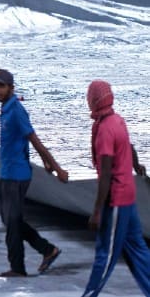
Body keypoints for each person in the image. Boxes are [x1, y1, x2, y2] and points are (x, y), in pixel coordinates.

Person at [0, 68, 68, 278]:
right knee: (10, 220)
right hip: (7, 172)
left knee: (12, 223)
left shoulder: (16, 111)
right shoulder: (6, 108)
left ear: (11, 88)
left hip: (17, 175)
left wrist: (56, 168)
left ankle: (17, 268)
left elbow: (34, 140)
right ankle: (47, 249)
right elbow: (21, 142)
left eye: (1, 86)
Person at [82, 80, 150, 296]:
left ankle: (90, 294)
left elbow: (106, 175)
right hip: (129, 195)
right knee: (138, 249)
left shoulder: (104, 130)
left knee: (106, 254)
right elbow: (128, 146)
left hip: (116, 200)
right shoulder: (117, 120)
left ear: (93, 100)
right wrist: (136, 164)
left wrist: (97, 211)